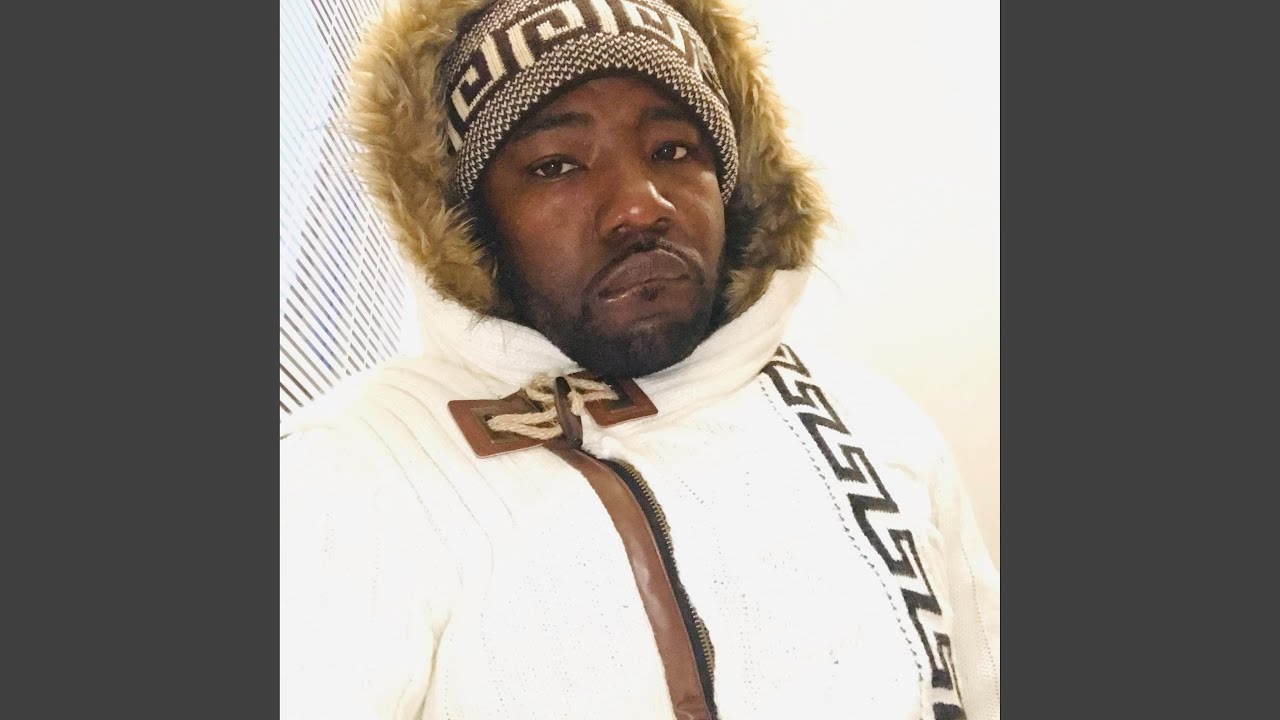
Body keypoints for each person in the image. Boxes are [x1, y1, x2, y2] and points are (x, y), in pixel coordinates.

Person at [280, 0, 999, 718]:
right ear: (472, 224)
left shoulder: (874, 424)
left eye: (672, 151)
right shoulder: (363, 458)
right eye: (556, 165)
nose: (640, 206)